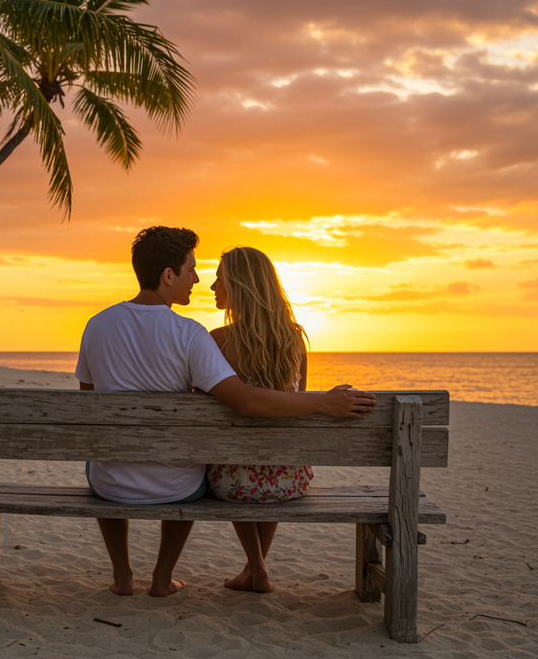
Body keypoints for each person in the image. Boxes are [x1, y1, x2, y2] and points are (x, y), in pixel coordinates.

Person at [75, 227, 376, 598]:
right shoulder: (192, 334)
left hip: (111, 484)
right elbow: (244, 400)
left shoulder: (96, 325)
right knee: (194, 465)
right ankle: (162, 576)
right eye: (192, 270)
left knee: (107, 459)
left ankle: (122, 576)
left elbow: (88, 406)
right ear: (169, 275)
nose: (198, 279)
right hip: (180, 487)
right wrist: (323, 402)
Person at [206, 246, 318, 593]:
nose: (212, 286)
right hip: (290, 479)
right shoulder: (294, 339)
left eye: (219, 279)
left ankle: (255, 567)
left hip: (231, 482)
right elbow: (296, 405)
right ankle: (255, 569)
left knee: (235, 464)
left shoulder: (219, 341)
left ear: (239, 285)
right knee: (269, 458)